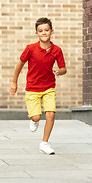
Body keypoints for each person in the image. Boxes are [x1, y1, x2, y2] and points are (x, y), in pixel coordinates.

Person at [10, 17, 67, 155]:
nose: (44, 33)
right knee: (36, 117)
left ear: (51, 31)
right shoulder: (30, 49)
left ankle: (44, 143)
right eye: (40, 31)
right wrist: (14, 82)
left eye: (46, 30)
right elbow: (19, 66)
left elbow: (64, 69)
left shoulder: (57, 50)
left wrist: (59, 71)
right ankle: (34, 120)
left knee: (50, 114)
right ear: (36, 33)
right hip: (32, 89)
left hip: (49, 88)